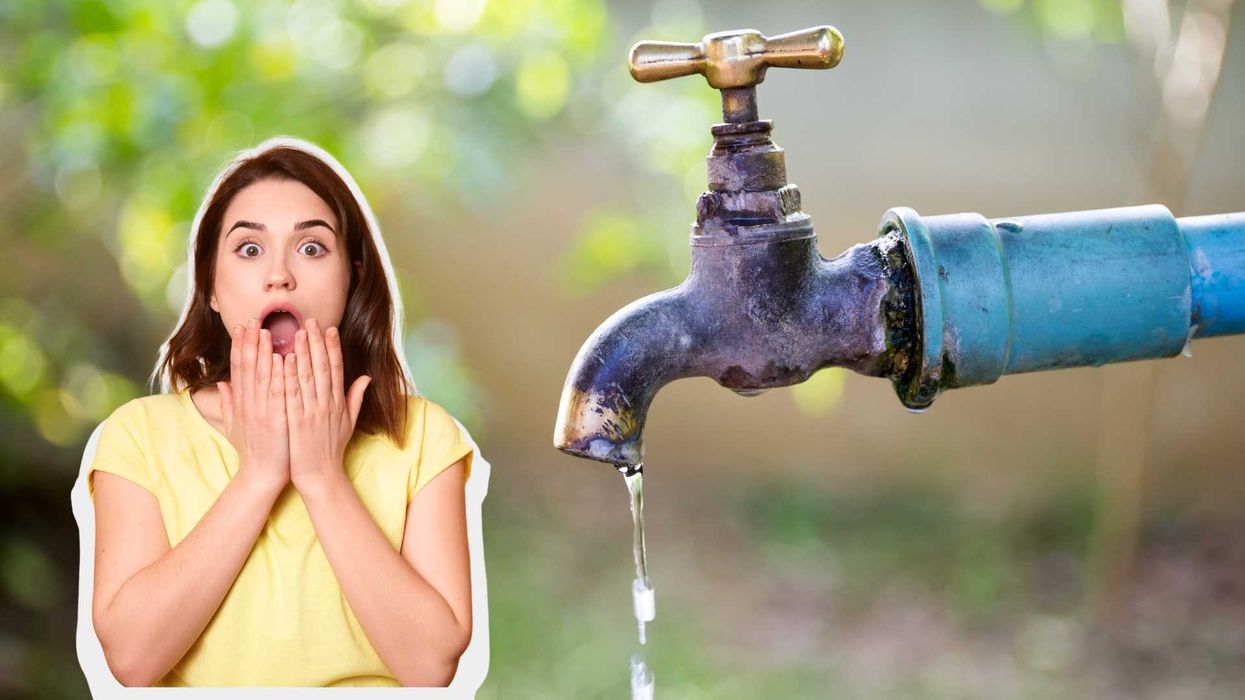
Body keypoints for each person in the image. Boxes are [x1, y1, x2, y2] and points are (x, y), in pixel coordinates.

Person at [83, 136, 476, 687]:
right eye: (249, 249)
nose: (279, 275)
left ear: (353, 277)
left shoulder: (422, 436)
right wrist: (259, 474)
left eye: (312, 248)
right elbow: (130, 659)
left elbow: (431, 666)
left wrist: (320, 474)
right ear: (211, 288)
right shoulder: (138, 437)